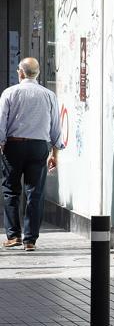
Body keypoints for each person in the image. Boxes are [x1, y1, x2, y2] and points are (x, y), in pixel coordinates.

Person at [0, 57, 63, 251]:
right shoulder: (48, 95)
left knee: (11, 190)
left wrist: (1, 143)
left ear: (20, 72)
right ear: (38, 73)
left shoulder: (10, 93)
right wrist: (55, 153)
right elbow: (55, 127)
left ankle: (13, 236)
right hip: (39, 147)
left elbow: (1, 121)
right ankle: (30, 240)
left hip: (14, 146)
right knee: (35, 192)